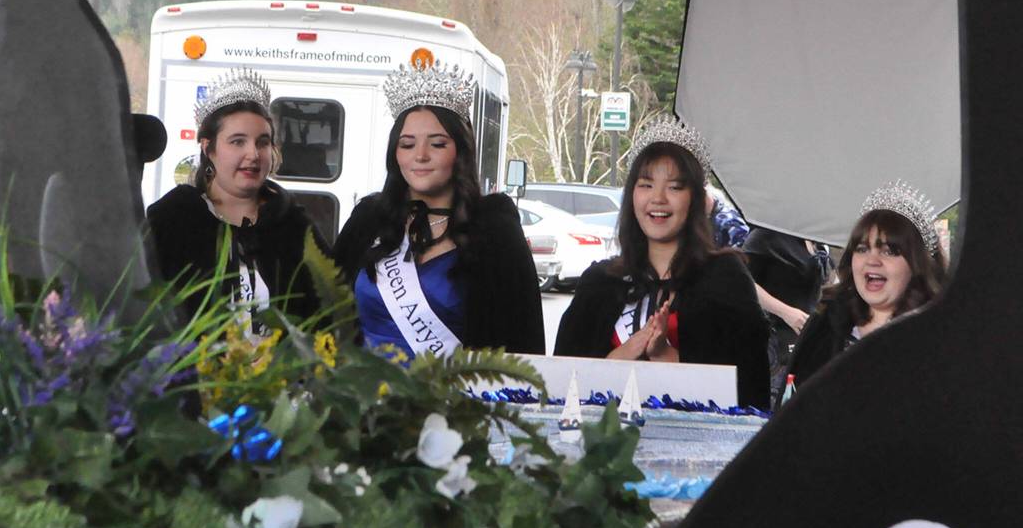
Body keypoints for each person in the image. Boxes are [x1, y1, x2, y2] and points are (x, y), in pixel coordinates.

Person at [554, 115, 770, 410]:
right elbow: (559, 389)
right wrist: (628, 351)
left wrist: (666, 356)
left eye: (674, 187)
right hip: (602, 449)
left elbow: (749, 394)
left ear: (695, 199)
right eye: (646, 185)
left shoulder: (726, 280)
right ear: (632, 195)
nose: (658, 198)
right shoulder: (600, 282)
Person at [332, 61, 544, 358]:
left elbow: (522, 339)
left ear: (460, 151)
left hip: (456, 399)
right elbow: (323, 313)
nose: (420, 156)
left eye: (437, 144)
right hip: (362, 396)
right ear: (395, 154)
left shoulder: (495, 230)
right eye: (407, 145)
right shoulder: (369, 219)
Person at [146, 67, 327, 335]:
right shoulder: (172, 220)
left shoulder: (294, 226)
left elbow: (326, 317)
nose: (253, 154)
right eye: (237, 142)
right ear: (209, 148)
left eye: (262, 142)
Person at [785, 179, 947, 391]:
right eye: (862, 249)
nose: (872, 260)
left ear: (916, 264)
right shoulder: (825, 326)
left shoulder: (938, 338)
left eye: (888, 251)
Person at [744, 228, 833, 404]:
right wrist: (785, 312)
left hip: (806, 343)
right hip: (773, 342)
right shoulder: (765, 235)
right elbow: (743, 281)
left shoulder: (819, 240)